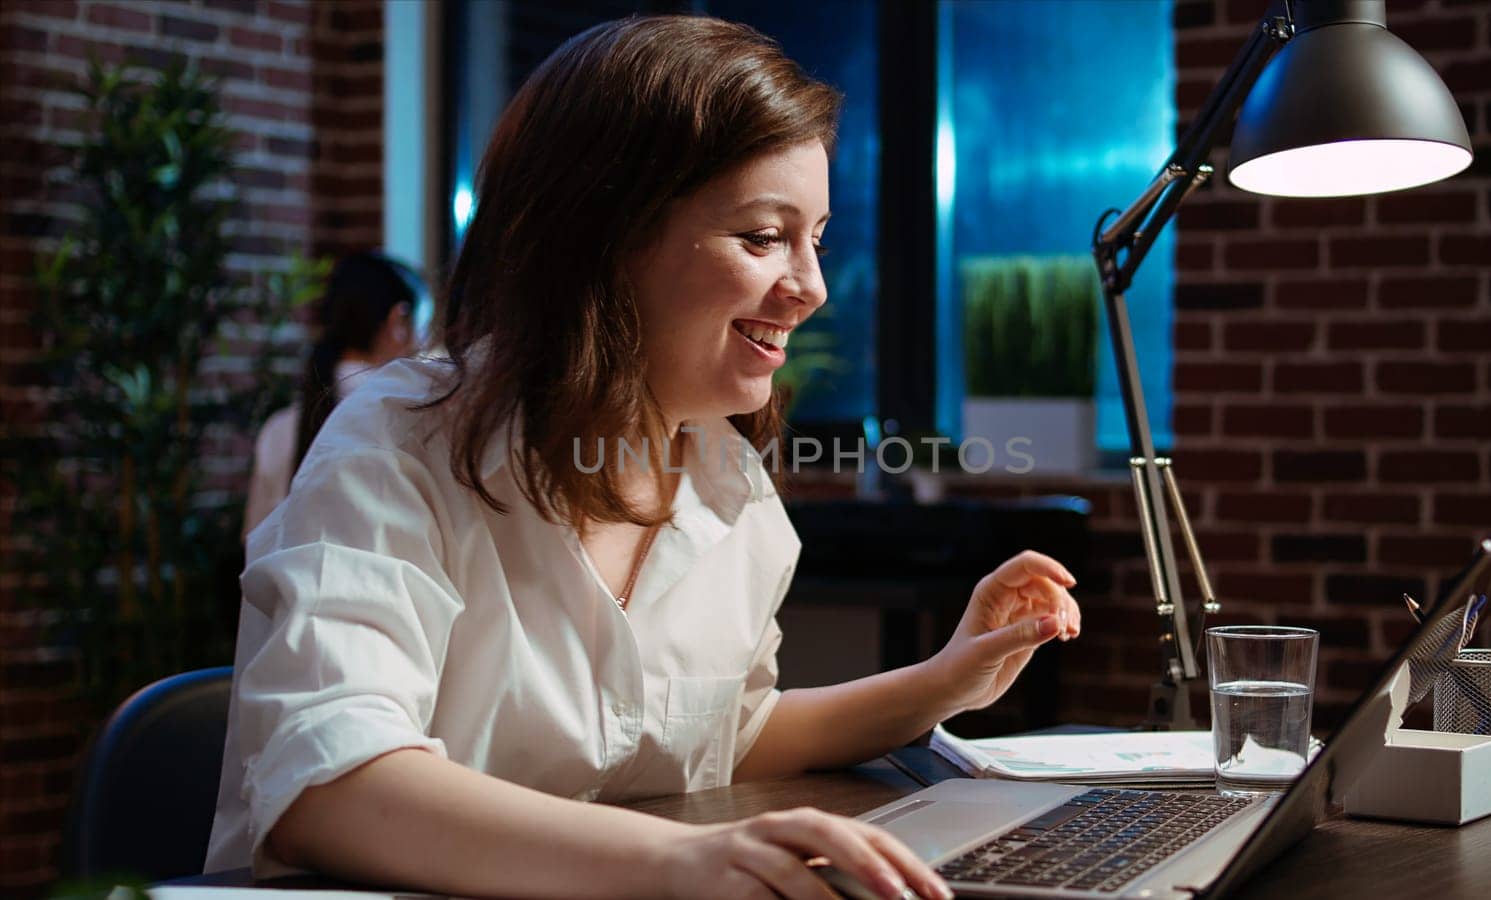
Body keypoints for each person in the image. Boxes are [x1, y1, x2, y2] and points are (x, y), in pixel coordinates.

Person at [206, 15, 1083, 900]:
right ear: (603, 239)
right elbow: (330, 789)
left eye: (815, 236)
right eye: (762, 237)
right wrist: (675, 862)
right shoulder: (399, 443)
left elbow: (728, 733)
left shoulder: (727, 483)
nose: (812, 287)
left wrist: (943, 681)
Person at [241, 252, 422, 537]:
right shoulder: (411, 421)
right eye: (426, 324)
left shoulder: (280, 429)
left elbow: (255, 543)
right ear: (398, 321)